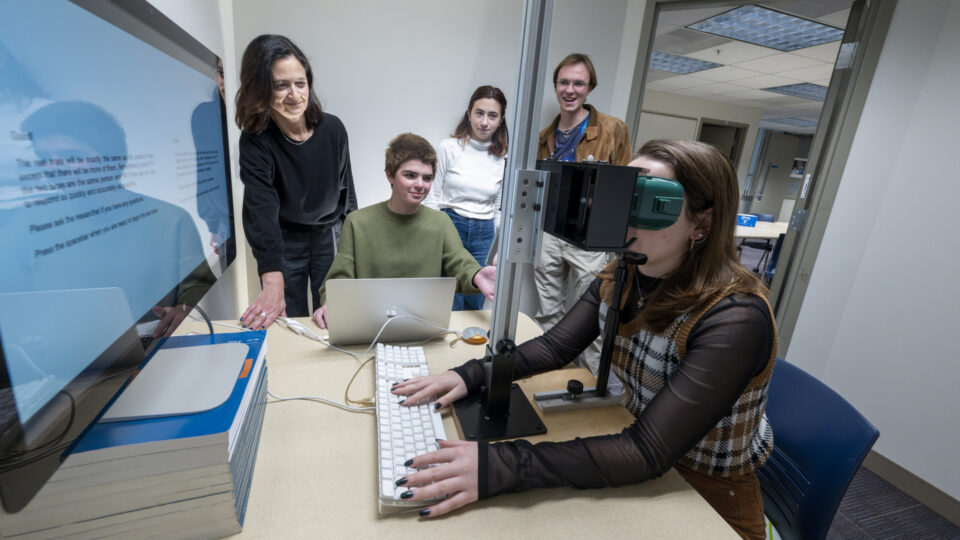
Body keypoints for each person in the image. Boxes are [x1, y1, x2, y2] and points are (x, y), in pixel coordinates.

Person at [392, 139, 777, 539]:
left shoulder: (735, 317)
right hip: (642, 466)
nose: (619, 216)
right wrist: (470, 374)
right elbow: (556, 346)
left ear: (702, 224)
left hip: (706, 497)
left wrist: (500, 465)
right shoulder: (627, 272)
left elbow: (647, 452)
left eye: (643, 202)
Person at [313, 133, 497, 328]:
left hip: (423, 325)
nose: (420, 184)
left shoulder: (440, 222)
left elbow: (459, 261)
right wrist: (330, 302)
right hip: (368, 326)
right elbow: (340, 277)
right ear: (390, 175)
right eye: (410, 175)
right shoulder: (357, 222)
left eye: (427, 178)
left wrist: (476, 275)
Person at [235, 35, 356, 330]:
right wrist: (271, 275)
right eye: (281, 85)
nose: (294, 95)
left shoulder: (333, 129)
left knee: (335, 316)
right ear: (262, 90)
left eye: (300, 83)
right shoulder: (256, 141)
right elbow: (260, 208)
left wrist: (354, 251)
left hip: (329, 232)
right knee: (291, 321)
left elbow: (347, 194)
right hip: (284, 238)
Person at [534, 53, 633, 374]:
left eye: (578, 83)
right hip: (548, 232)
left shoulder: (612, 129)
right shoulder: (546, 136)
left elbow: (626, 186)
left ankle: (587, 389)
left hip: (588, 238)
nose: (570, 89)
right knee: (548, 311)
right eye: (564, 82)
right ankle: (550, 377)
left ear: (590, 88)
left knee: (588, 319)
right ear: (555, 86)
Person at [423, 85, 508, 311]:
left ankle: (472, 347)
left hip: (485, 231)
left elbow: (499, 207)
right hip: (451, 224)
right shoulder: (448, 148)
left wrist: (497, 240)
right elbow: (432, 196)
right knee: (451, 298)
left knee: (475, 298)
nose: (484, 122)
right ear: (469, 114)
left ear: (501, 120)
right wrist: (434, 234)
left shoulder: (503, 157)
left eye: (492, 116)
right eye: (479, 113)